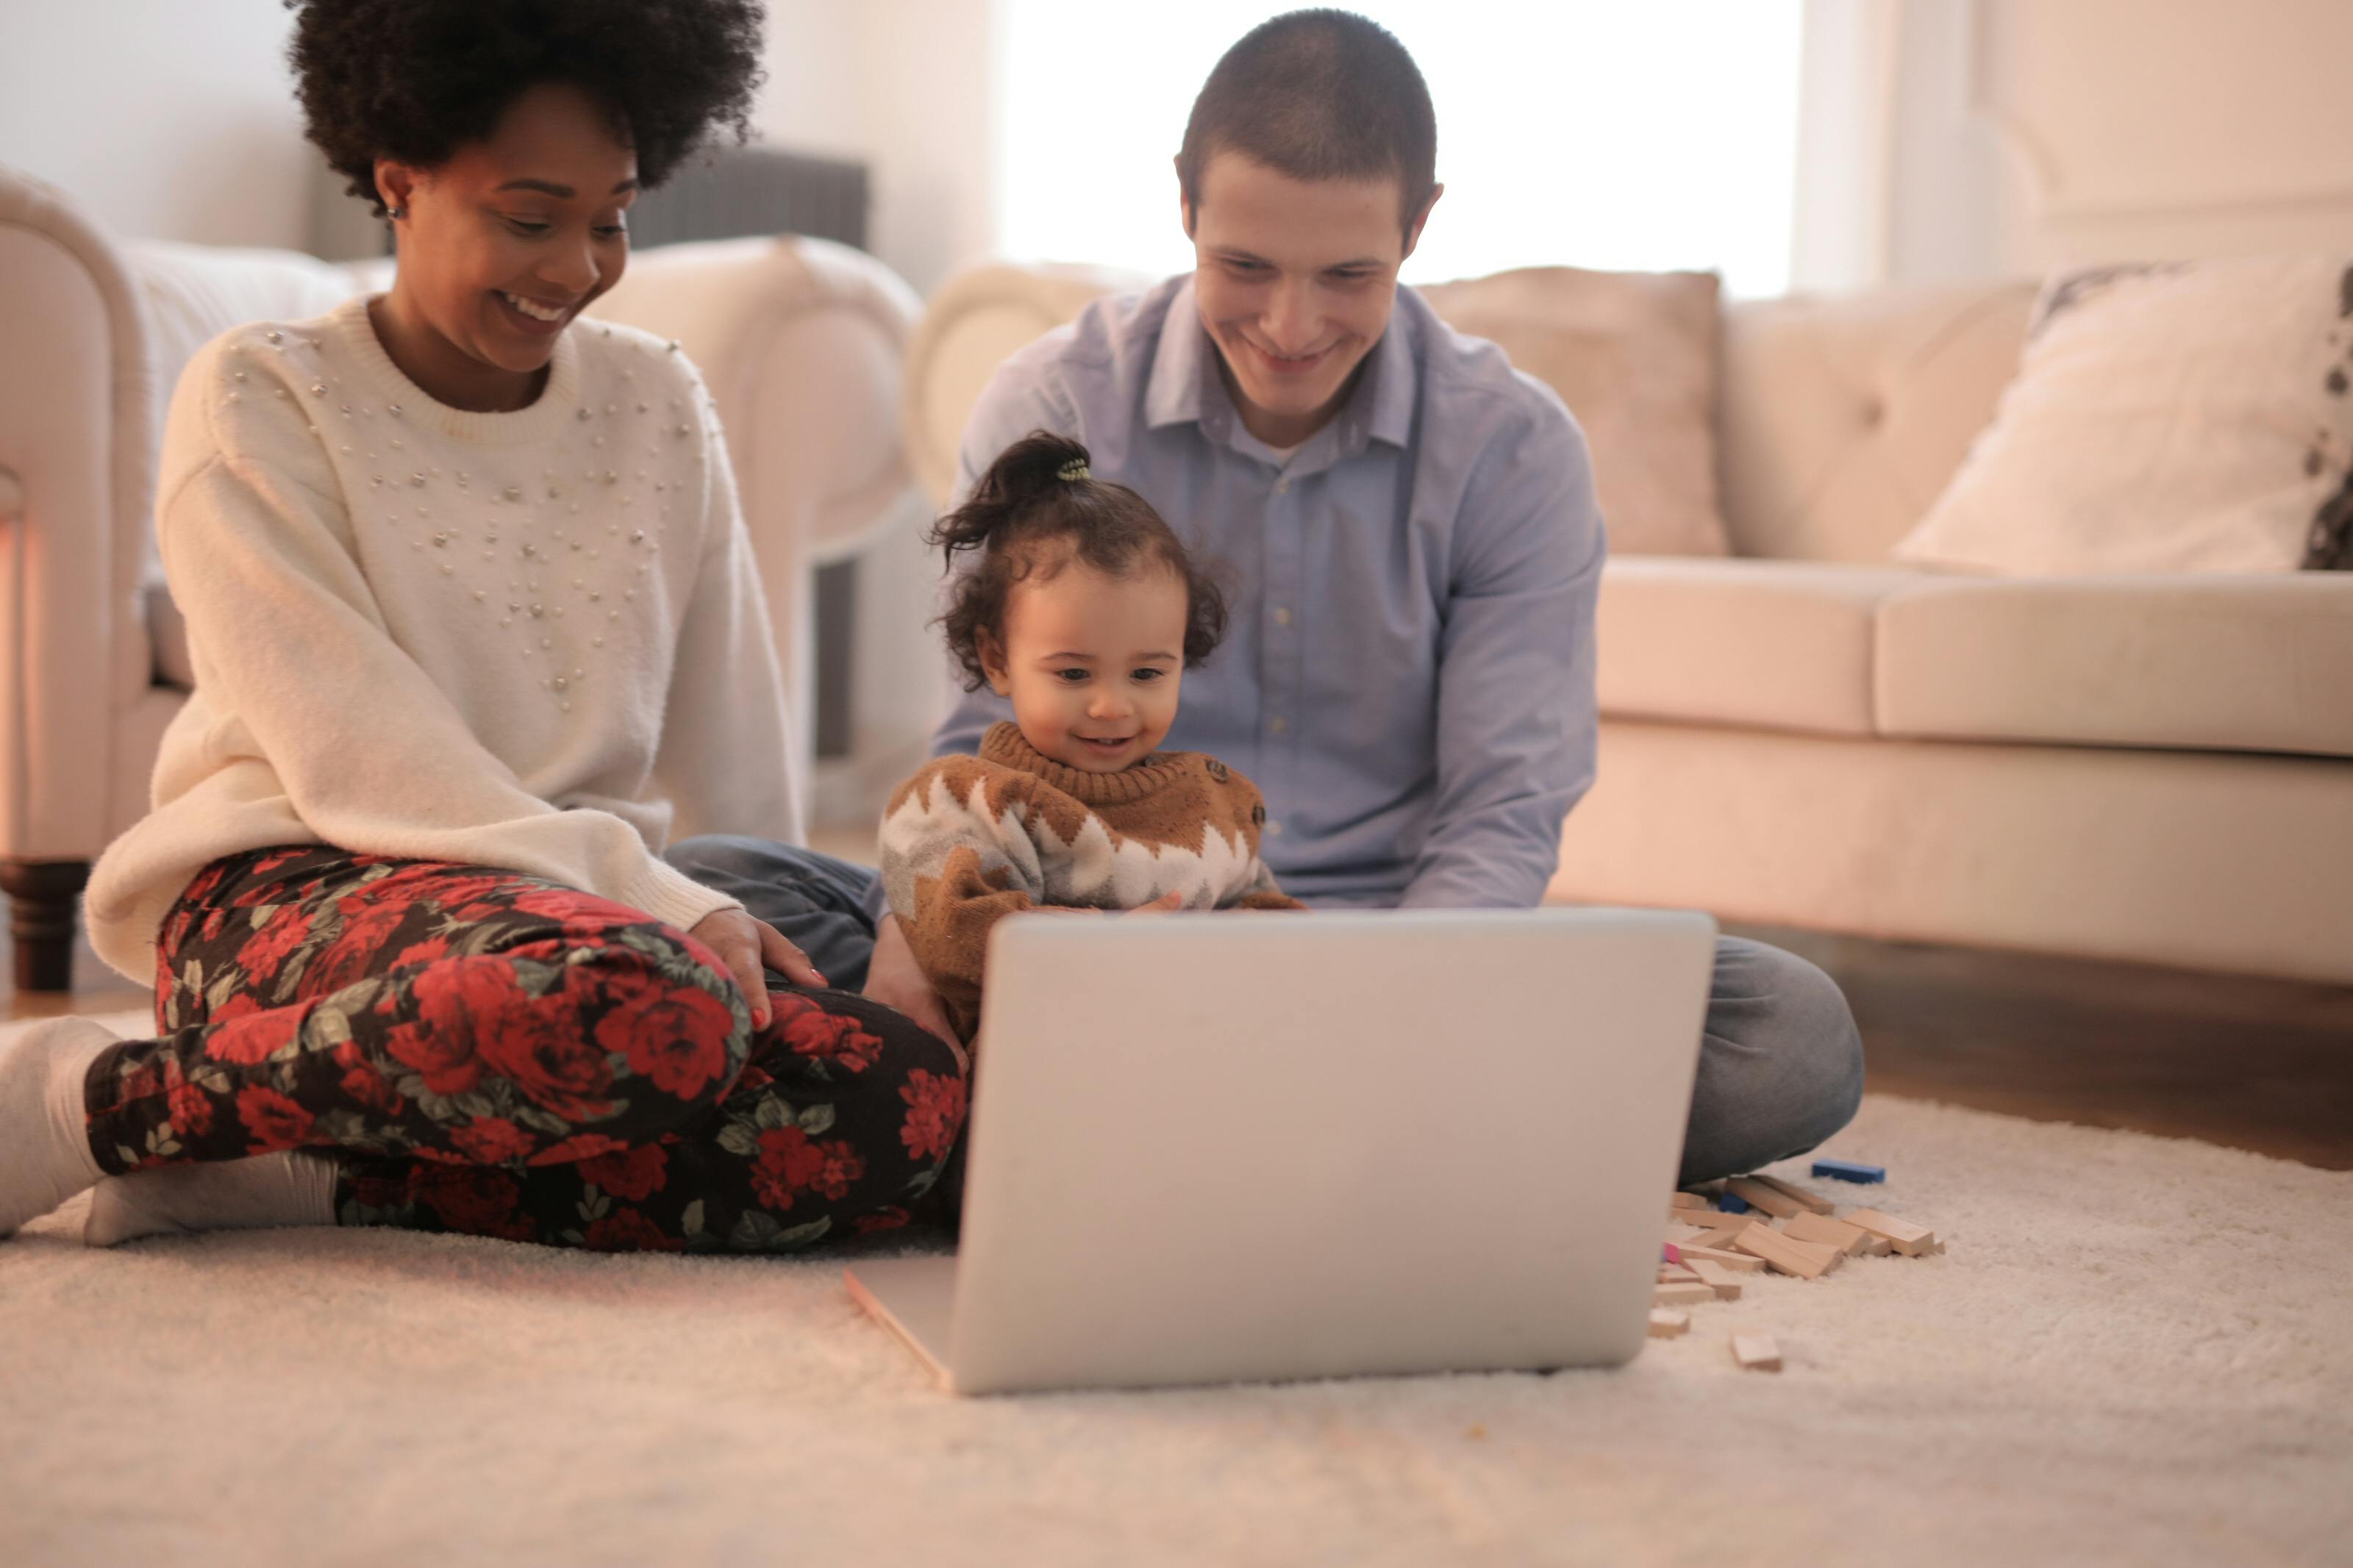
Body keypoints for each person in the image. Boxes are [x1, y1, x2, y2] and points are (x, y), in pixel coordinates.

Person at [674, 8, 1864, 1186]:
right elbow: (969, 742)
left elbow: (1505, 808)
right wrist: (924, 944)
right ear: (1184, 209)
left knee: (1788, 1036)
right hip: (1064, 937)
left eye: (1350, 274)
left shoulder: (1512, 447)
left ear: (1421, 225)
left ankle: (1065, 1120)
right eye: (1243, 265)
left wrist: (1376, 998)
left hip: (1389, 952)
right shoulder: (1059, 400)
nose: (1291, 329)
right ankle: (1342, 1139)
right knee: (729, 884)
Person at [0, 0, 964, 1252]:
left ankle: (296, 1173)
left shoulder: (658, 398)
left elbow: (734, 727)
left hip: (592, 925)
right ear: (400, 182)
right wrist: (662, 911)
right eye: (528, 216)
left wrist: (757, 938)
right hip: (300, 893)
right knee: (643, 993)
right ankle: (103, 1102)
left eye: (609, 217)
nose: (574, 267)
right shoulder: (259, 392)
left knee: (906, 1097)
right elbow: (358, 746)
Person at [879, 432, 1302, 1042]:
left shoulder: (1218, 806)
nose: (1112, 706)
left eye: (1148, 673)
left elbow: (1272, 918)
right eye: (1074, 673)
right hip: (1041, 1067)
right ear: (997, 660)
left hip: (1201, 1049)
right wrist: (1106, 945)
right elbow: (954, 935)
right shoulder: (959, 800)